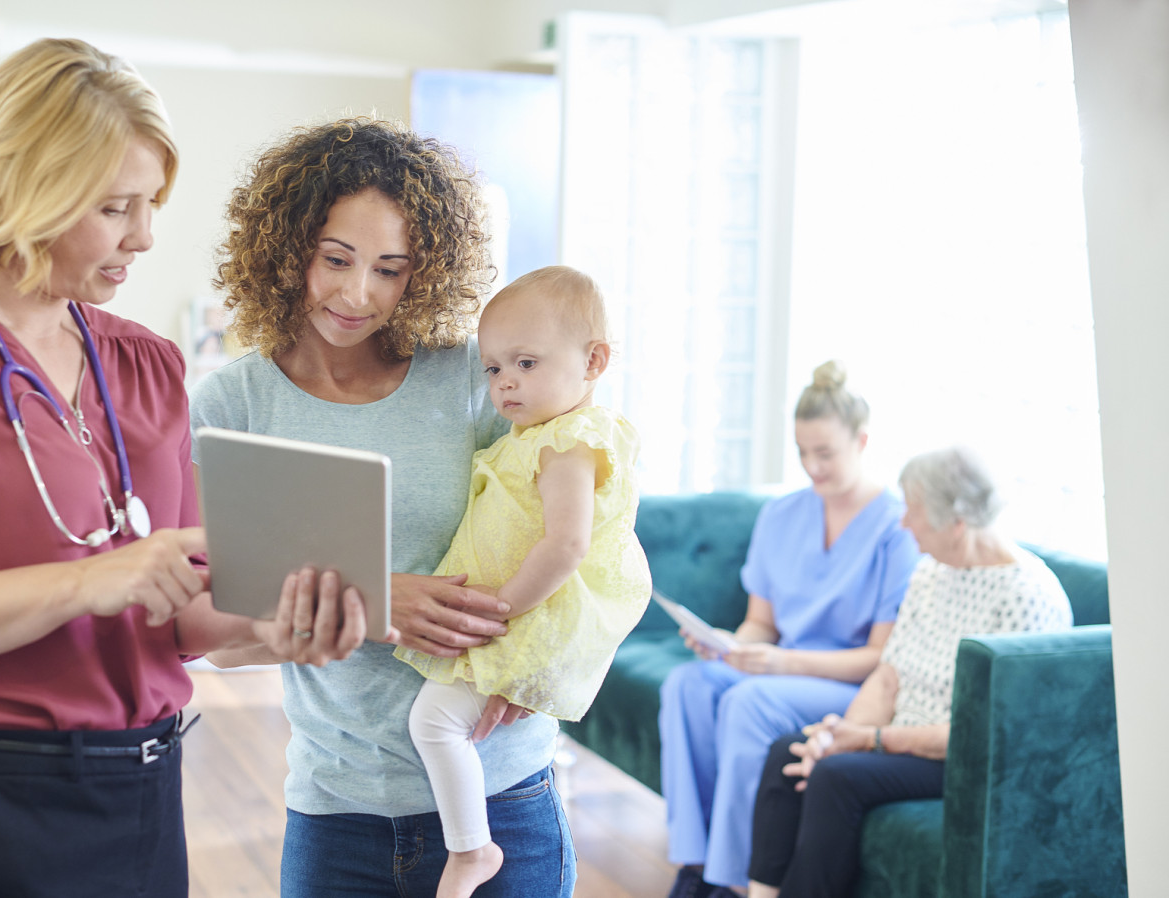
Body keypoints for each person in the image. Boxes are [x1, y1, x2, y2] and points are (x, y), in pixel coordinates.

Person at [0, 39, 364, 898]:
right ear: (30, 190)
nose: (145, 234)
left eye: (151, 203)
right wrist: (88, 581)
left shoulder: (148, 365)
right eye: (114, 207)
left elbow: (174, 611)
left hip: (145, 793)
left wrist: (268, 632)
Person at [193, 117, 576, 898]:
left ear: (423, 273)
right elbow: (217, 642)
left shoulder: (475, 381)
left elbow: (582, 538)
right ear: (287, 245)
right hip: (340, 815)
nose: (357, 293)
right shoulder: (233, 404)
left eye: (390, 269)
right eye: (336, 259)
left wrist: (535, 669)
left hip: (505, 802)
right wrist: (371, 599)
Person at [397, 266, 654, 898]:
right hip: (511, 612)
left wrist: (503, 608)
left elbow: (569, 543)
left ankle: (471, 850)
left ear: (594, 361)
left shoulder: (571, 439)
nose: (506, 381)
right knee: (436, 721)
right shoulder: (535, 435)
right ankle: (470, 848)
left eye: (527, 363)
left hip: (524, 616)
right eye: (493, 369)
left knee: (434, 724)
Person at [744, 447, 1073, 898]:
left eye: (913, 512)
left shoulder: (1027, 598)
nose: (903, 524)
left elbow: (985, 735)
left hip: (960, 759)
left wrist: (870, 741)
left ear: (955, 522)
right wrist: (838, 733)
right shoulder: (930, 573)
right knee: (791, 752)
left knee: (836, 777)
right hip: (899, 739)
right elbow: (888, 676)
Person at [661, 361, 922, 898]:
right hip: (781, 668)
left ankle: (731, 878)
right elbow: (762, 624)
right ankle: (694, 863)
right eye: (803, 452)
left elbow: (880, 657)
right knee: (687, 684)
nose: (812, 467)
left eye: (825, 453)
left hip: (846, 681)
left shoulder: (898, 529)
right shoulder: (781, 516)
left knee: (748, 703)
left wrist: (780, 663)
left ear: (863, 440)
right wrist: (729, 645)